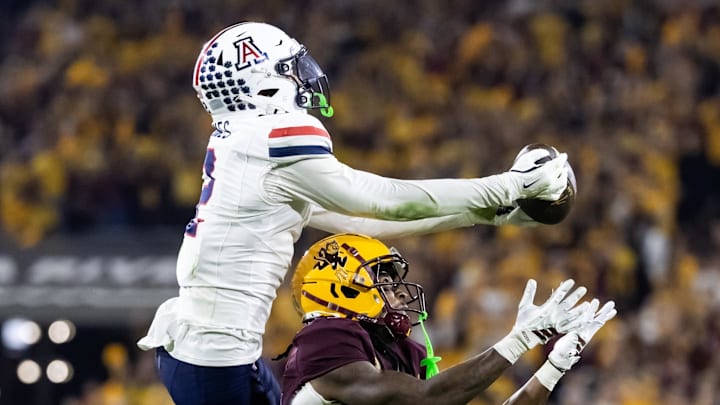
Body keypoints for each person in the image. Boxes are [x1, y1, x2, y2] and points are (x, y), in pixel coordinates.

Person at [137, 21, 572, 405]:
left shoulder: (244, 141)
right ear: (263, 84)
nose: (301, 75)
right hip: (215, 358)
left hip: (211, 351)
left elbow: (365, 223)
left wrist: (494, 214)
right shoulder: (270, 136)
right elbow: (387, 200)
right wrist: (511, 184)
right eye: (287, 68)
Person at [283, 233, 617, 405]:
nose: (400, 293)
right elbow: (428, 399)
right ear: (341, 287)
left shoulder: (404, 353)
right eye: (385, 281)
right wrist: (520, 339)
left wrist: (553, 367)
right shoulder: (326, 337)